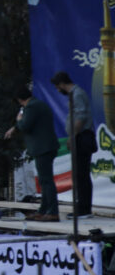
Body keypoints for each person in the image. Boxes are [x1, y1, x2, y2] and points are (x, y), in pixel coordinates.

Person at [6, 87, 59, 221]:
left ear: (20, 100)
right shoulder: (39, 104)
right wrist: (15, 127)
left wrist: (18, 120)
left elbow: (25, 125)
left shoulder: (31, 107)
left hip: (42, 148)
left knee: (46, 181)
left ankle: (52, 211)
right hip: (47, 147)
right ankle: (43, 210)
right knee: (44, 180)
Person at [52, 71, 96, 218]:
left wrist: (72, 136)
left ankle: (84, 209)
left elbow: (81, 118)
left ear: (62, 84)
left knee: (81, 174)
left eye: (58, 87)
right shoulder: (74, 95)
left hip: (81, 137)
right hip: (79, 136)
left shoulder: (77, 94)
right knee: (79, 174)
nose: (58, 90)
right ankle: (82, 206)